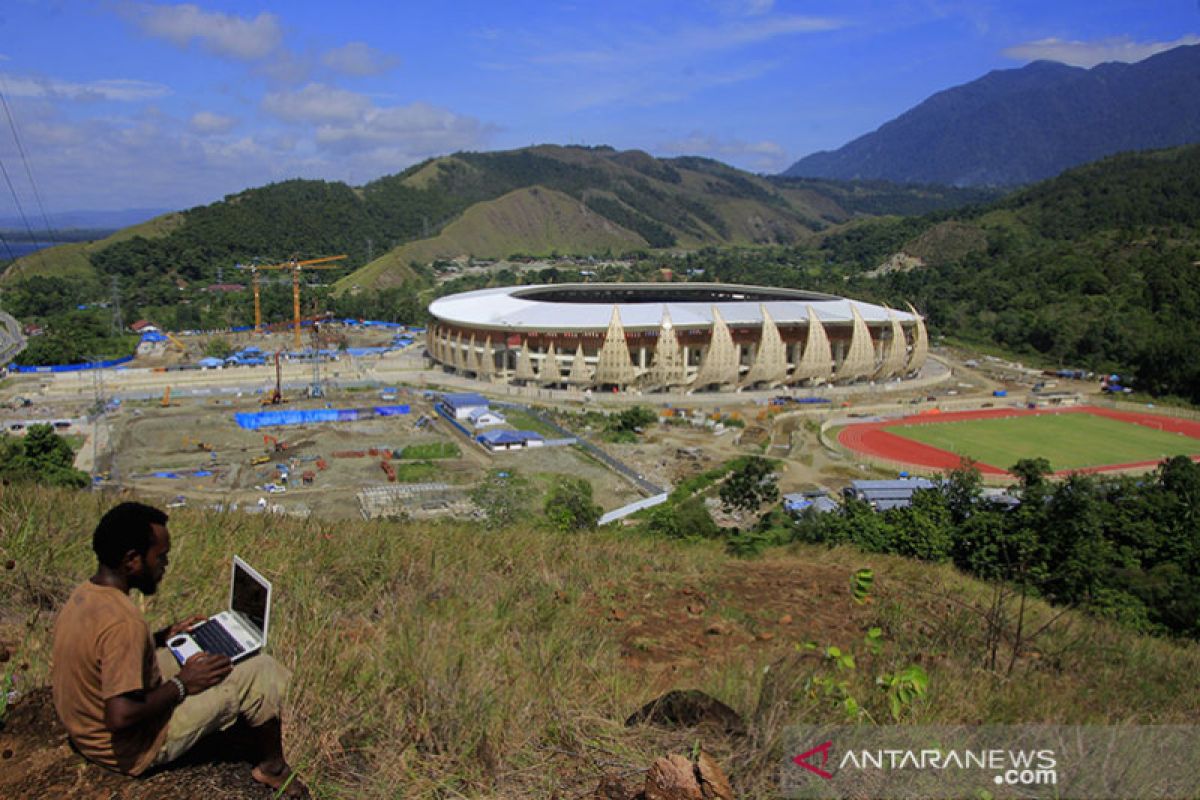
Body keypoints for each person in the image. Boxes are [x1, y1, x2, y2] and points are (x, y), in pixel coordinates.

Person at [50, 502, 307, 797]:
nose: (165, 566)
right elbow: (119, 715)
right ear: (132, 560)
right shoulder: (125, 623)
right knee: (260, 670)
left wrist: (161, 638)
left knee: (198, 653)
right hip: (132, 748)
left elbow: (105, 650)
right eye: (161, 557)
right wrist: (182, 684)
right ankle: (272, 768)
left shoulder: (86, 594)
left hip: (85, 732)